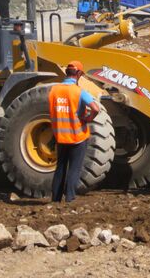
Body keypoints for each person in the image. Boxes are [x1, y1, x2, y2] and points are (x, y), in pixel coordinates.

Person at [48, 61, 100, 202]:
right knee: (74, 168)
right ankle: (70, 198)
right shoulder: (79, 91)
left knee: (60, 168)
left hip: (60, 136)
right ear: (78, 74)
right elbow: (95, 108)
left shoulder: (54, 90)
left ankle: (56, 199)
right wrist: (88, 118)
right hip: (77, 136)